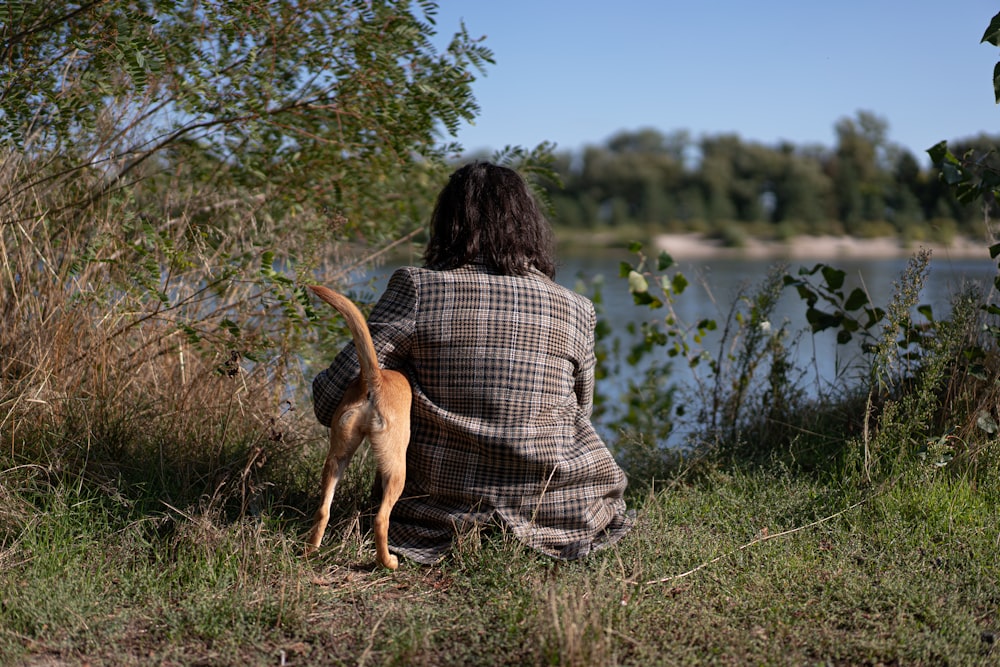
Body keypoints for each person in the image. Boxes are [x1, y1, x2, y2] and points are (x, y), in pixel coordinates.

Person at [312, 161, 633, 564]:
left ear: (447, 225)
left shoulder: (418, 289)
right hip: (560, 515)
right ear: (530, 228)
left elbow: (330, 402)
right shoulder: (576, 307)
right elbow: (580, 413)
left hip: (434, 520)